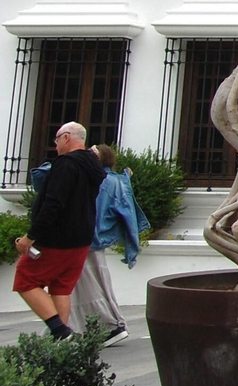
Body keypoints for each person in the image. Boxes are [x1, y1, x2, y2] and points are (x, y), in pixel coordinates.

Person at [13, 122, 105, 339]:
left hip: (56, 239)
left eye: (56, 140)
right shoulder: (92, 165)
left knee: (25, 279)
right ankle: (60, 344)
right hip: (82, 238)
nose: (55, 146)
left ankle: (61, 331)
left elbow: (53, 203)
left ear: (66, 137)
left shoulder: (66, 164)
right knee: (61, 288)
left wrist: (30, 236)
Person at [67, 144, 148, 346]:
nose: (87, 153)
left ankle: (110, 326)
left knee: (88, 284)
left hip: (85, 239)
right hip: (92, 239)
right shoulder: (112, 181)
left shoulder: (98, 180)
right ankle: (99, 326)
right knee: (91, 283)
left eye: (92, 151)